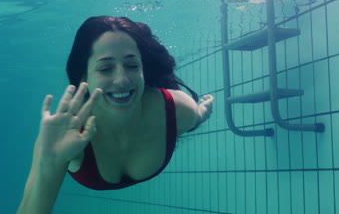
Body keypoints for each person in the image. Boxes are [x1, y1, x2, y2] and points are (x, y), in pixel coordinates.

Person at [17, 16, 214, 214]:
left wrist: (204, 110)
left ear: (143, 69)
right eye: (105, 68)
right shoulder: (65, 133)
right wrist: (50, 161)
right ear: (83, 76)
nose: (121, 79)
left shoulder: (177, 109)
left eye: (132, 66)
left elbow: (197, 116)